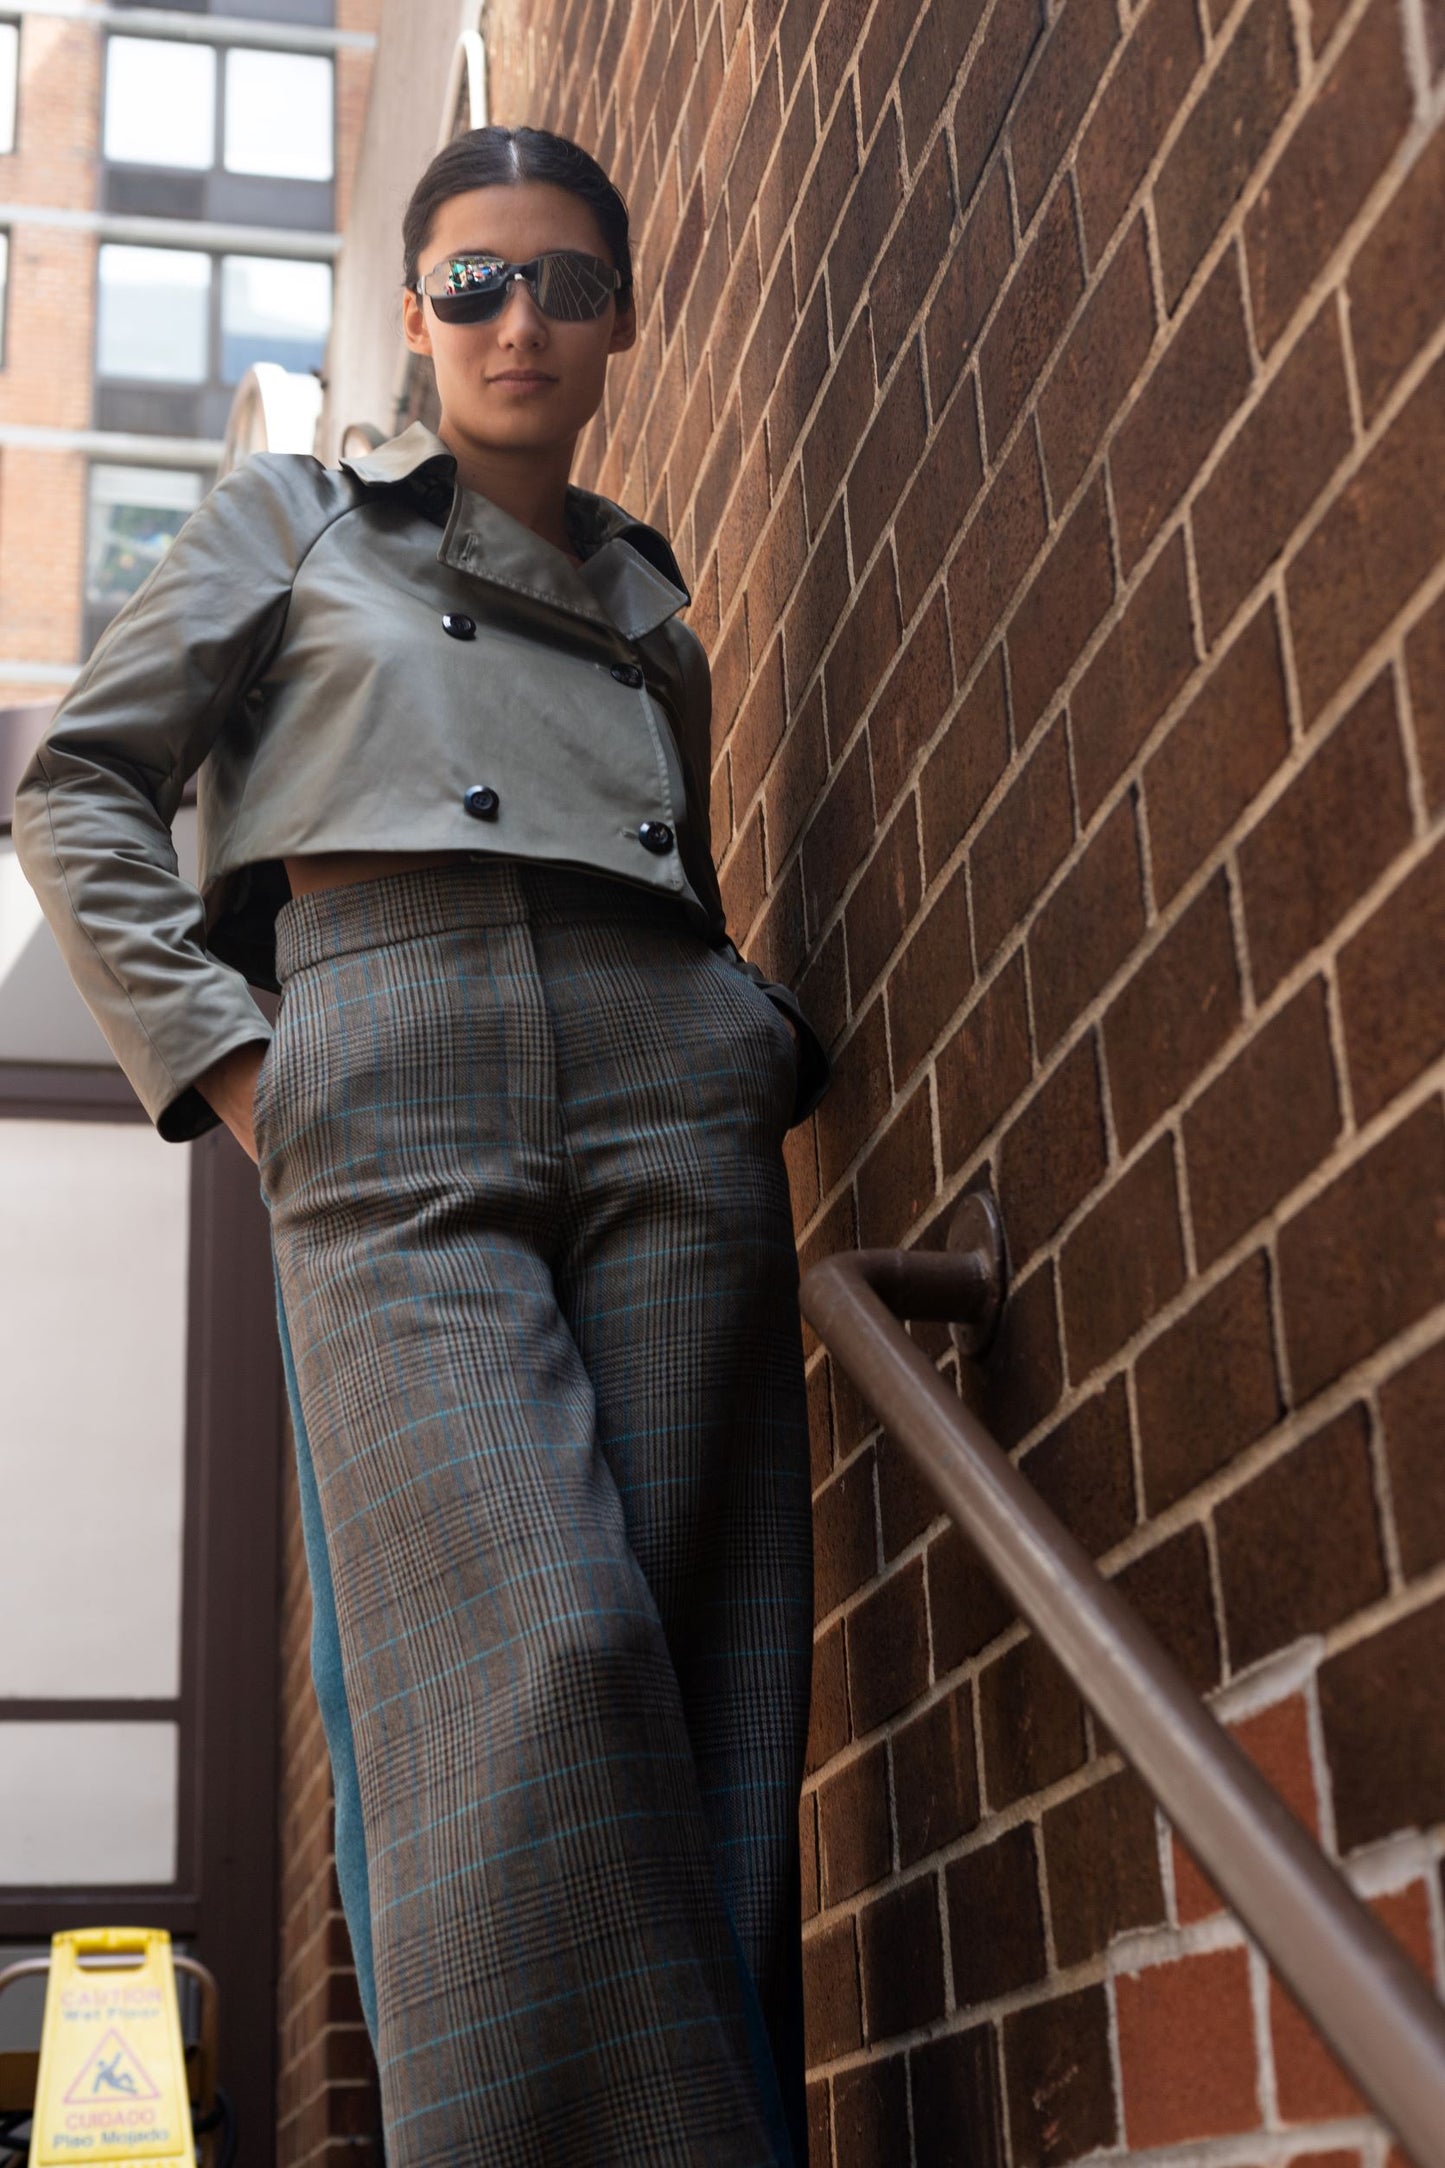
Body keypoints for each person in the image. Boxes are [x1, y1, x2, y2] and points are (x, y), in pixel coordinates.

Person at [15, 126, 828, 2168]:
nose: (517, 321)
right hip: (383, 1063)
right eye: (472, 282)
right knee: (536, 1653)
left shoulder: (657, 607)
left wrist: (738, 1030)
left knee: (703, 1689)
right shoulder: (292, 516)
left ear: (623, 319)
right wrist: (244, 1070)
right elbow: (81, 790)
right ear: (413, 313)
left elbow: (673, 871)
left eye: (563, 283)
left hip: (669, 1081)